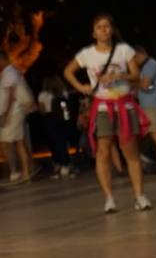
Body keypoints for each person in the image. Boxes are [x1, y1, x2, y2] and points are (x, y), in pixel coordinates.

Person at [63, 14, 151, 213]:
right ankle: (109, 198)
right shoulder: (87, 54)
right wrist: (82, 87)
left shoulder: (123, 50)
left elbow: (136, 74)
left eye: (107, 26)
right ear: (93, 33)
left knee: (131, 151)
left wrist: (121, 75)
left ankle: (139, 195)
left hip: (124, 104)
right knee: (103, 152)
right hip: (102, 107)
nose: (103, 30)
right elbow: (68, 71)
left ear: (112, 30)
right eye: (99, 27)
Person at [0, 50, 35, 183]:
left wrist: (5, 114)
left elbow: (10, 95)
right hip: (15, 112)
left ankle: (16, 171)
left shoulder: (9, 73)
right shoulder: (10, 73)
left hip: (13, 113)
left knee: (5, 142)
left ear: (1, 60)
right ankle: (24, 171)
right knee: (18, 141)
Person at [132, 45, 156, 173]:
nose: (133, 62)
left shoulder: (150, 65)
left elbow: (145, 84)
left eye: (134, 58)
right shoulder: (150, 65)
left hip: (151, 105)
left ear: (139, 54)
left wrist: (130, 83)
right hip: (150, 104)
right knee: (153, 135)